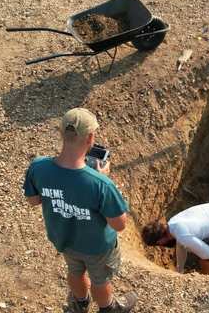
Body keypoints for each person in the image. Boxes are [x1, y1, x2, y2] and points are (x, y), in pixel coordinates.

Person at [23, 108, 136, 313]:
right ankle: (107, 308)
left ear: (60, 134)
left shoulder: (38, 167)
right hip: (97, 246)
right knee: (99, 279)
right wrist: (104, 178)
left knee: (75, 271)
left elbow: (33, 200)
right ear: (91, 138)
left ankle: (81, 302)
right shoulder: (100, 183)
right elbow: (119, 224)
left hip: (64, 238)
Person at [141, 199, 209, 275]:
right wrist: (179, 271)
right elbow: (180, 247)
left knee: (207, 261)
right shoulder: (173, 222)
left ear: (160, 241)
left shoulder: (182, 236)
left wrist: (193, 248)